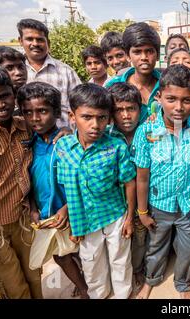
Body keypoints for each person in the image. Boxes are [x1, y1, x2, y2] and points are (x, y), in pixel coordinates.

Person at [54, 83, 136, 299]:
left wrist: (129, 218)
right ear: (73, 116)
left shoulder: (116, 146)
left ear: (109, 118)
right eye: (87, 117)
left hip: (115, 214)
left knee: (120, 259)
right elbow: (68, 188)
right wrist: (72, 219)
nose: (95, 125)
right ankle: (99, 294)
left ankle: (123, 294)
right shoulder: (64, 148)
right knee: (91, 263)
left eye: (102, 118)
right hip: (85, 220)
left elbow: (129, 182)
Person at [133, 65, 190, 300]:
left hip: (187, 203)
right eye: (171, 99)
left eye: (187, 100)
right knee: (156, 247)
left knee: (188, 248)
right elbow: (142, 177)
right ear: (159, 97)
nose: (179, 107)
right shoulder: (147, 131)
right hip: (159, 203)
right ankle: (151, 280)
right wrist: (142, 211)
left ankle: (183, 283)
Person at [16, 81, 89, 299]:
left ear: (56, 112)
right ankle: (83, 287)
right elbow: (27, 181)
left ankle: (90, 281)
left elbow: (83, 180)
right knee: (60, 255)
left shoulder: (68, 141)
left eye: (42, 111)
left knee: (82, 249)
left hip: (73, 210)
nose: (35, 118)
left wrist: (67, 208)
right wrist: (33, 207)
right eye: (28, 113)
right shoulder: (27, 145)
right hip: (47, 214)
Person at [0, 60, 42, 299]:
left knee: (34, 275)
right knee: (12, 286)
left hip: (22, 217)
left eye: (4, 95)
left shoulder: (23, 127)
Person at [106, 82, 146, 290]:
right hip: (116, 203)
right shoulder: (106, 136)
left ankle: (138, 268)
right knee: (119, 242)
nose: (126, 115)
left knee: (140, 238)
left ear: (140, 109)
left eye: (131, 109)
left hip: (144, 201)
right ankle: (121, 275)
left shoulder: (148, 132)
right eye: (119, 110)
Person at [17, 18, 81, 128]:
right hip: (25, 139)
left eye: (40, 39)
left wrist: (71, 131)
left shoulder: (65, 71)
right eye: (29, 39)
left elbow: (81, 106)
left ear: (48, 42)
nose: (35, 43)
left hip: (61, 139)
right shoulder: (14, 72)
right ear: (20, 41)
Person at [106, 22, 161, 123]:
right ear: (128, 56)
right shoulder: (112, 86)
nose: (144, 57)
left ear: (157, 55)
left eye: (149, 51)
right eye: (137, 52)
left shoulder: (168, 85)